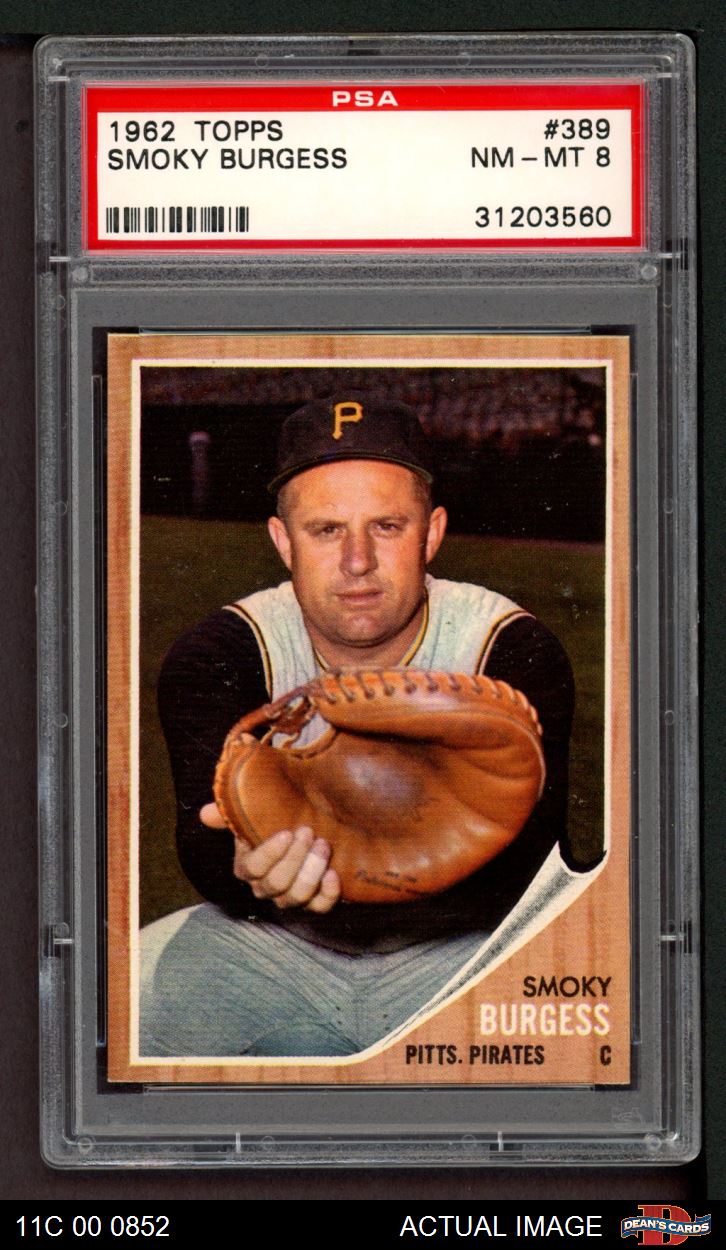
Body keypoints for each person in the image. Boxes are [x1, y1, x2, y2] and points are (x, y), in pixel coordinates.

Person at [141, 396, 581, 1058]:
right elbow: (203, 849)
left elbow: (533, 869)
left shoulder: (506, 646)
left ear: (431, 534)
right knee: (122, 1002)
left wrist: (340, 868)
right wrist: (243, 867)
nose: (357, 561)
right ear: (282, 541)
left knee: (572, 1005)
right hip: (272, 946)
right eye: (325, 530)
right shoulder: (223, 651)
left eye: (386, 526)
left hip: (462, 947)